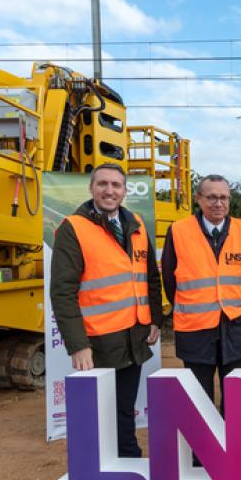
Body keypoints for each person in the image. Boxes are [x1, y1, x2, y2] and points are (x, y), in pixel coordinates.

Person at [51, 163, 162, 458]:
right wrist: (78, 345)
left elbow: (150, 277)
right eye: (102, 184)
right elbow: (62, 292)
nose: (109, 190)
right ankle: (103, 467)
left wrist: (154, 319)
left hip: (134, 336)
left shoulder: (136, 224)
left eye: (116, 185)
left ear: (124, 191)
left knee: (124, 407)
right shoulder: (73, 228)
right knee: (100, 411)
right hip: (98, 342)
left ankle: (127, 461)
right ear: (91, 188)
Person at [161, 174, 241, 413]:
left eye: (224, 197)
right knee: (199, 400)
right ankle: (202, 440)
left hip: (235, 330)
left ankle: (230, 438)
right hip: (195, 330)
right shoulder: (178, 231)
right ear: (199, 199)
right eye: (212, 197)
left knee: (235, 399)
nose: (218, 203)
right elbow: (169, 279)